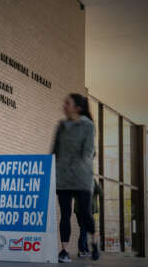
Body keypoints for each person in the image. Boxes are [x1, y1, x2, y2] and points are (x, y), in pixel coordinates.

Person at [52, 94, 100, 262]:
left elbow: (88, 151)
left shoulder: (88, 126)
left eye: (68, 103)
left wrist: (75, 164)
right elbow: (53, 151)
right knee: (65, 215)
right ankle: (64, 251)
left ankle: (94, 241)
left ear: (77, 107)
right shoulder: (61, 126)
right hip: (63, 178)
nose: (64, 105)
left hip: (81, 178)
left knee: (85, 214)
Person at [74, 179, 102, 258]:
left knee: (83, 229)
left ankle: (84, 249)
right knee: (84, 229)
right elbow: (100, 192)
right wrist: (99, 186)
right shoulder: (91, 180)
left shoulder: (77, 181)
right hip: (88, 209)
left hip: (78, 209)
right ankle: (82, 250)